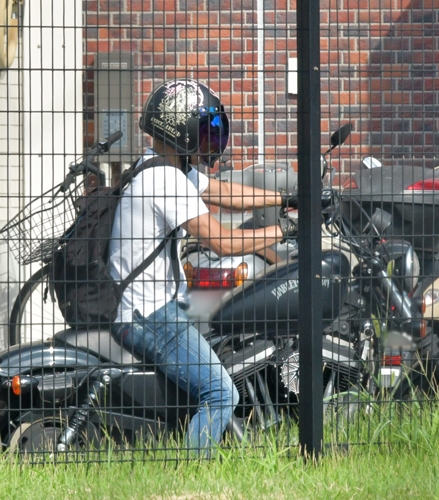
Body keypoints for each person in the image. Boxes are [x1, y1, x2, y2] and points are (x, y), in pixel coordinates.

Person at [108, 79, 296, 453]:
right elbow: (221, 242)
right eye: (206, 132)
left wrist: (287, 197)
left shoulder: (161, 165)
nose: (213, 142)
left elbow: (222, 192)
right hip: (147, 314)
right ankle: (194, 475)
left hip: (149, 306)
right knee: (219, 392)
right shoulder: (165, 180)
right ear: (183, 131)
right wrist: (287, 227)